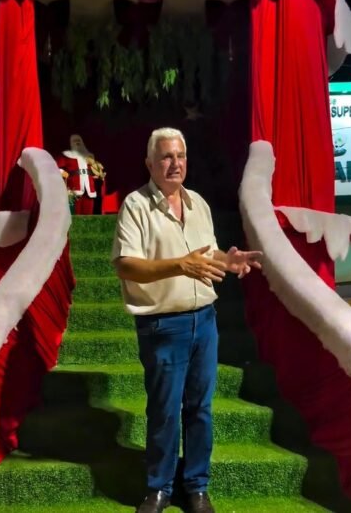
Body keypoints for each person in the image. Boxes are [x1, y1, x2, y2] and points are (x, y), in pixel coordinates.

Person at [110, 127, 263, 513]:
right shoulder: (135, 205)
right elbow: (125, 265)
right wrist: (180, 265)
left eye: (180, 156)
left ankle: (196, 487)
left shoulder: (199, 204)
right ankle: (159, 489)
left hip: (204, 323)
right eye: (166, 156)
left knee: (201, 409)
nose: (175, 163)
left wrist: (226, 261)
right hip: (163, 325)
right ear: (150, 164)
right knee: (164, 411)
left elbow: (206, 256)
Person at [57, 134, 107, 215]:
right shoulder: (66, 155)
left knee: (88, 215)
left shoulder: (89, 156)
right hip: (74, 189)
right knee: (75, 215)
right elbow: (55, 167)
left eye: (78, 140)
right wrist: (61, 172)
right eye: (75, 141)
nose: (77, 142)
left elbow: (95, 169)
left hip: (89, 190)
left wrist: (98, 175)